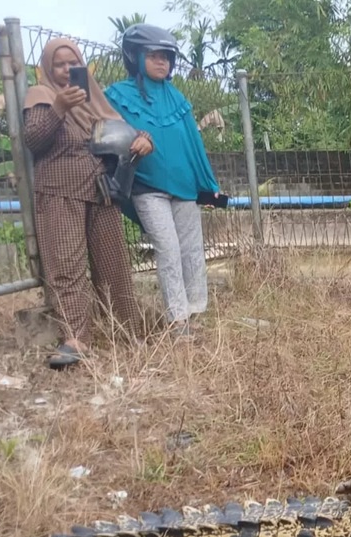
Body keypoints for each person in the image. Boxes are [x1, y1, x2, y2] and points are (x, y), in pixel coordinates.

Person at [23, 37, 152, 369]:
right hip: (59, 192)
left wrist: (143, 140)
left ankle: (128, 331)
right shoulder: (42, 95)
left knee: (114, 266)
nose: (68, 70)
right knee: (67, 267)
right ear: (48, 68)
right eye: (60, 64)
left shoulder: (95, 97)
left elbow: (124, 132)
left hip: (100, 190)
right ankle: (76, 338)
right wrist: (59, 109)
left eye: (73, 63)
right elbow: (34, 141)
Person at [105, 24, 224, 338]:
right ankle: (177, 320)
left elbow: (193, 146)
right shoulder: (116, 95)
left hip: (185, 187)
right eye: (154, 56)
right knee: (167, 249)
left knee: (191, 249)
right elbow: (109, 136)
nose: (162, 63)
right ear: (136, 56)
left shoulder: (178, 99)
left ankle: (194, 313)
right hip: (146, 187)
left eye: (167, 57)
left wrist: (209, 186)